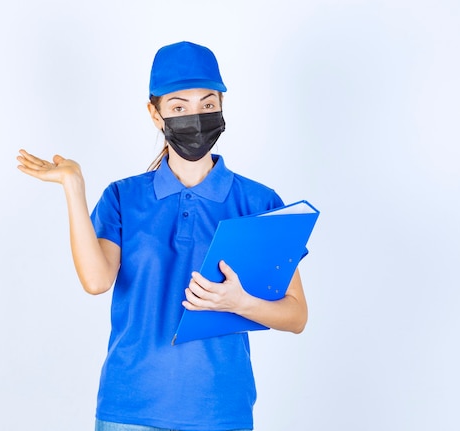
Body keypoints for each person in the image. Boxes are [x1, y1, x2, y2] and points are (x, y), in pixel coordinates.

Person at [17, 41, 308, 431]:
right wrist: (73, 187)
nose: (196, 116)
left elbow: (296, 315)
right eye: (179, 107)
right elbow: (96, 280)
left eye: (207, 105)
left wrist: (241, 302)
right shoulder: (125, 196)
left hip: (220, 410)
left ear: (222, 106)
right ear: (155, 114)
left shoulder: (259, 202)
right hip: (130, 410)